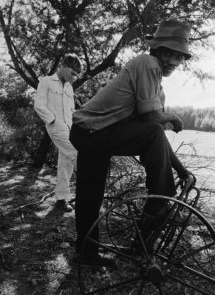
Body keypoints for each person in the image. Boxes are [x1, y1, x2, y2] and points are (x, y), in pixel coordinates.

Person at [70, 19, 193, 266]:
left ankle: (87, 252)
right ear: (157, 49)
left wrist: (181, 170)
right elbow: (152, 121)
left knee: (90, 195)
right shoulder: (148, 63)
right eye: (168, 53)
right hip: (90, 132)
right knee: (153, 131)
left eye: (178, 57)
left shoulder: (158, 89)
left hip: (95, 134)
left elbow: (155, 135)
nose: (172, 61)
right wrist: (172, 117)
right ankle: (160, 200)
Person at [34, 53, 82, 212]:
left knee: (65, 163)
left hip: (69, 128)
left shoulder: (69, 87)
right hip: (55, 126)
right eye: (73, 73)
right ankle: (89, 193)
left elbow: (71, 109)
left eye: (76, 75)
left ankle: (61, 199)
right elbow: (39, 105)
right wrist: (52, 120)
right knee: (77, 154)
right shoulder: (46, 81)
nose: (74, 78)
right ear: (64, 66)